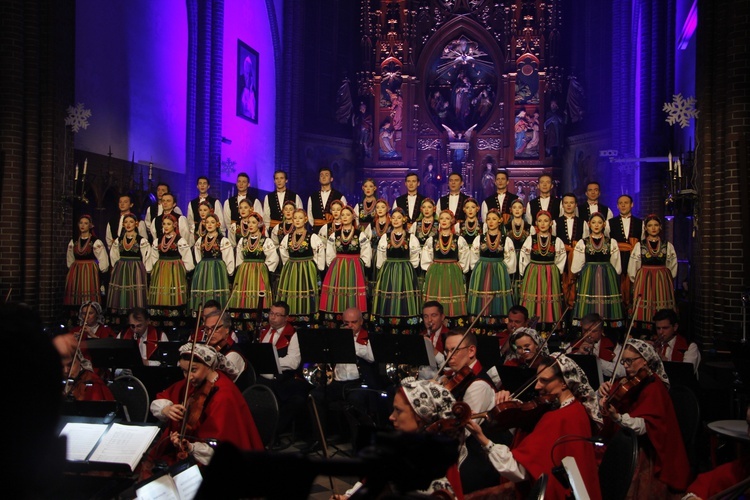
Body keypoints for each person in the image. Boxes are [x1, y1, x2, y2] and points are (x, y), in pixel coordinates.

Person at [466, 354, 603, 500]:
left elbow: (517, 469)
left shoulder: (558, 418)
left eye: (544, 380)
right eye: (537, 379)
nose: (537, 386)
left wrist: (482, 438)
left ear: (564, 383)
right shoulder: (577, 409)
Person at [146, 343, 263, 473]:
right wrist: (166, 409)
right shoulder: (193, 383)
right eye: (184, 371)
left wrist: (191, 447)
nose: (188, 376)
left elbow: (219, 447)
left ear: (209, 366)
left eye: (193, 370)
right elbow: (161, 399)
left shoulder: (223, 395)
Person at [598, 339, 691, 496]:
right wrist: (602, 393)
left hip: (647, 449)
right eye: (623, 361)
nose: (625, 365)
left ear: (645, 361)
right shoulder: (626, 382)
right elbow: (604, 407)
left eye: (629, 360)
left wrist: (618, 417)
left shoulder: (654, 386)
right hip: (626, 441)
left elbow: (644, 427)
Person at [440, 330, 497, 493]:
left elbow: (464, 432)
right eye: (447, 351)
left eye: (454, 350)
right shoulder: (455, 377)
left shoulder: (479, 385)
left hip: (476, 459)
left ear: (471, 351)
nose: (449, 356)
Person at [256, 301, 311, 435]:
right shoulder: (264, 331)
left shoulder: (293, 334)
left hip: (282, 379)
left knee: (295, 400)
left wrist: (270, 362)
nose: (272, 317)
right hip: (261, 377)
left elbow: (292, 362)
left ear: (286, 317)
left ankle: (272, 433)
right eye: (271, 313)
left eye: (277, 315)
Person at [571, 212, 624, 328]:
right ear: (589, 224)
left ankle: (608, 326)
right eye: (594, 222)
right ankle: (588, 325)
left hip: (607, 275)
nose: (596, 225)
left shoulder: (611, 242)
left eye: (599, 223)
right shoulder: (583, 242)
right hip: (589, 275)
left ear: (604, 225)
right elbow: (576, 266)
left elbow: (617, 266)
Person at [372, 208, 422, 330]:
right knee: (388, 294)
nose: (395, 220)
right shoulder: (385, 237)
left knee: (404, 295)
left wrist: (409, 270)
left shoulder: (411, 238)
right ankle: (386, 322)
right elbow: (381, 258)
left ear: (404, 220)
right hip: (388, 270)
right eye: (393, 218)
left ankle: (406, 323)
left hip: (405, 270)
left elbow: (415, 259)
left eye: (399, 217)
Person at [519, 211, 567, 331]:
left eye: (546, 221)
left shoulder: (557, 240)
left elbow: (560, 258)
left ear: (551, 223)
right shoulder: (531, 239)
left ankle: (549, 326)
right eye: (540, 221)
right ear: (536, 223)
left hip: (550, 272)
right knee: (535, 297)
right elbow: (524, 256)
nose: (543, 224)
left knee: (548, 297)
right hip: (534, 271)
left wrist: (556, 272)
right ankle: (531, 326)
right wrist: (524, 272)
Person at [467, 209, 516, 325]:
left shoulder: (506, 239)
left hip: (499, 270)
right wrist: (477, 270)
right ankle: (480, 323)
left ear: (499, 221)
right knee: (482, 295)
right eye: (488, 219)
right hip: (482, 269)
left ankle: (499, 323)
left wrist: (504, 271)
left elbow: (510, 258)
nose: (491, 222)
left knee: (497, 295)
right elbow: (474, 255)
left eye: (494, 219)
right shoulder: (479, 238)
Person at [320, 205, 370, 319]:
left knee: (353, 291)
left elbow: (366, 251)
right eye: (343, 215)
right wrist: (333, 264)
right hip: (338, 267)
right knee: (338, 291)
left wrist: (361, 263)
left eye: (348, 215)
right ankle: (337, 315)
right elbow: (330, 251)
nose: (345, 217)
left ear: (353, 217)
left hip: (354, 266)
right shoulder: (335, 234)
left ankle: (354, 316)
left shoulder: (359, 234)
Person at [628, 214, 679, 326]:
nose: (653, 228)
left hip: (662, 280)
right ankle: (644, 329)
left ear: (660, 227)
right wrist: (636, 281)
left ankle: (662, 326)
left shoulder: (667, 245)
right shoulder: (639, 245)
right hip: (644, 280)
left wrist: (667, 278)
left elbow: (672, 265)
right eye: (650, 225)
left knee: (662, 304)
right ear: (645, 228)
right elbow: (633, 266)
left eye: (656, 225)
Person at [277, 209, 325, 320]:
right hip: (292, 268)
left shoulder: (312, 236)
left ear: (306, 219)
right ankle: (292, 315)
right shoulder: (288, 237)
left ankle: (307, 315)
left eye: (300, 218)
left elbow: (319, 252)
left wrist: (316, 266)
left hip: (306, 268)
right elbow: (283, 250)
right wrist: (287, 263)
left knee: (306, 289)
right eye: (295, 218)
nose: (297, 220)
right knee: (292, 289)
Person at [421, 210, 470, 319]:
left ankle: (452, 321)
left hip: (452, 272)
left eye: (447, 218)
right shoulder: (432, 240)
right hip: (436, 271)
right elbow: (426, 257)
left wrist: (459, 268)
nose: (444, 221)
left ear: (452, 221)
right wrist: (430, 268)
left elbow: (464, 257)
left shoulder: (459, 240)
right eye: (442, 218)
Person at [229, 209, 278, 315]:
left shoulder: (266, 241)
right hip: (244, 272)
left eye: (254, 223)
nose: (250, 225)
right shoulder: (243, 240)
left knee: (258, 296)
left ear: (259, 224)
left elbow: (273, 258)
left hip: (259, 272)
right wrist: (241, 269)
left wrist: (265, 269)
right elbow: (239, 257)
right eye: (249, 222)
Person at [147, 214, 194, 318]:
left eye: (169, 224)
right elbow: (154, 257)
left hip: (175, 269)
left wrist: (186, 270)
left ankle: (175, 315)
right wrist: (152, 270)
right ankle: (161, 316)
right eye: (164, 224)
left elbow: (187, 257)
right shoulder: (158, 241)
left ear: (174, 225)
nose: (166, 226)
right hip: (161, 269)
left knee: (173, 291)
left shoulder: (180, 241)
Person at [190, 213, 234, 314]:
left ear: (217, 224)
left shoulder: (223, 240)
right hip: (203, 269)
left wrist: (229, 273)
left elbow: (229, 258)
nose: (209, 224)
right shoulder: (200, 240)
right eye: (207, 222)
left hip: (217, 270)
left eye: (212, 222)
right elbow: (197, 256)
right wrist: (200, 266)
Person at [107, 212, 150, 315]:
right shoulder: (119, 240)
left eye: (131, 222)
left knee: (135, 291)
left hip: (136, 268)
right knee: (122, 290)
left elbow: (146, 257)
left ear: (136, 224)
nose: (128, 224)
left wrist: (146, 270)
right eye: (126, 222)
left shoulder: (142, 240)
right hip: (121, 268)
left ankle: (136, 312)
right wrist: (116, 266)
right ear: (122, 224)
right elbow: (114, 255)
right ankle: (121, 313)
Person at [607, 194, 644, 309]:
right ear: (617, 206)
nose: (623, 205)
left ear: (632, 205)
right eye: (620, 203)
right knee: (617, 284)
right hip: (617, 258)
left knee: (634, 285)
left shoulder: (640, 223)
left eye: (626, 203)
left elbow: (642, 242)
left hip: (634, 258)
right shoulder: (610, 223)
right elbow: (608, 241)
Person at [64, 214, 109, 307]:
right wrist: (72, 268)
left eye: (85, 223)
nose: (82, 225)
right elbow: (70, 258)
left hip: (89, 271)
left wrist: (102, 271)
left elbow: (103, 259)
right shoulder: (74, 241)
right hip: (76, 271)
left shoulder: (95, 241)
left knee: (88, 291)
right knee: (76, 291)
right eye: (81, 223)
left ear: (91, 225)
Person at [54, 333, 115, 401]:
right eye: (61, 366)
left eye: (70, 365)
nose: (66, 371)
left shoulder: (93, 382)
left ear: (80, 361)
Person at [202, 311, 251, 390]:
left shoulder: (233, 355)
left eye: (215, 328)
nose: (210, 333)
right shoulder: (211, 349)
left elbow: (216, 385)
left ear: (227, 329)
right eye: (207, 329)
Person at [553, 193, 586, 309]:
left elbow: (585, 242)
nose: (568, 205)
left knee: (576, 283)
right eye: (566, 203)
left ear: (576, 205)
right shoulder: (555, 222)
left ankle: (575, 310)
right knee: (562, 283)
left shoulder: (583, 223)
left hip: (577, 257)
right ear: (562, 205)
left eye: (571, 203)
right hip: (562, 257)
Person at [570, 313, 624, 379]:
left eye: (594, 331)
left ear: (601, 331)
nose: (588, 334)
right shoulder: (573, 345)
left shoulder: (613, 346)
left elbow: (622, 372)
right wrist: (578, 354)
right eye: (585, 330)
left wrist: (596, 361)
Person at [652, 309, 701, 374]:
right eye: (658, 328)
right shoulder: (654, 344)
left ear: (675, 327)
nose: (660, 332)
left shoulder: (690, 347)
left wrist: (665, 361)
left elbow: (686, 373)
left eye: (665, 328)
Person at [224, 172, 263, 246]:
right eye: (239, 181)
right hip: (235, 236)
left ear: (248, 184)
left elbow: (259, 220)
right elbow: (227, 222)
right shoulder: (228, 202)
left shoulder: (255, 201)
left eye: (244, 182)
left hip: (251, 235)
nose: (241, 184)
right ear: (236, 183)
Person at [505, 198, 530, 303]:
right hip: (511, 256)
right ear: (511, 210)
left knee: (523, 280)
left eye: (519, 207)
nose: (517, 210)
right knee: (511, 280)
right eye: (514, 207)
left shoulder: (529, 227)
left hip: (524, 257)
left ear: (523, 210)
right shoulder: (506, 227)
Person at [308, 167, 347, 235]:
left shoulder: (340, 196)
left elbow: (344, 214)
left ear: (331, 179)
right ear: (319, 179)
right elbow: (310, 216)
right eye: (321, 175)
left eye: (326, 175)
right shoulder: (312, 197)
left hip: (334, 231)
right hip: (317, 232)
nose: (324, 177)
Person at [417, 301, 447, 380]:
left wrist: (433, 350)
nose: (429, 320)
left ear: (442, 317)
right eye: (426, 316)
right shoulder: (420, 336)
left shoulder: (449, 336)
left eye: (433, 315)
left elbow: (449, 368)